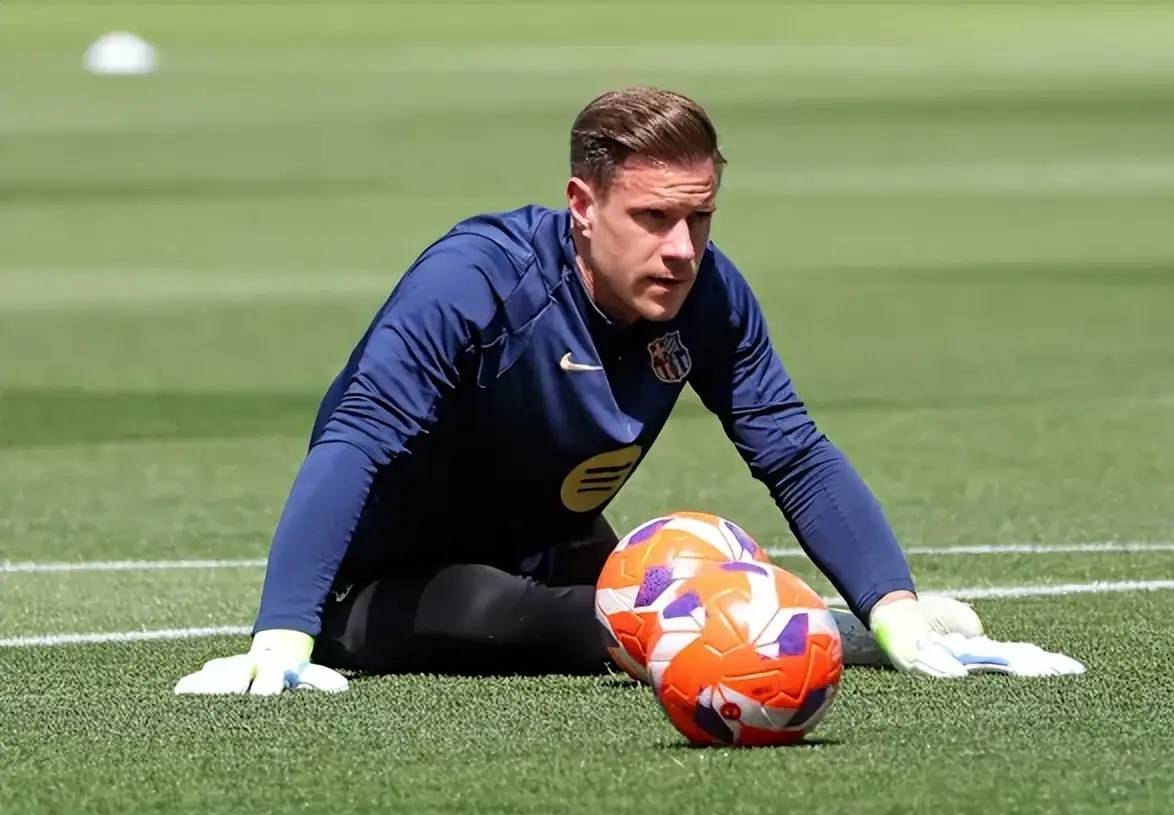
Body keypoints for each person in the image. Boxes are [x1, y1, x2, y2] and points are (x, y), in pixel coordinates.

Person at [176, 87, 1082, 696]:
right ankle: (814, 633)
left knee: (678, 561)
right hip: (379, 588)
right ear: (583, 205)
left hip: (552, 545)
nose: (682, 249)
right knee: (558, 622)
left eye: (700, 217)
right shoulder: (476, 279)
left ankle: (842, 625)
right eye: (653, 218)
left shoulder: (710, 293)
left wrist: (897, 608)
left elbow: (794, 453)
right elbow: (357, 438)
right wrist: (281, 634)